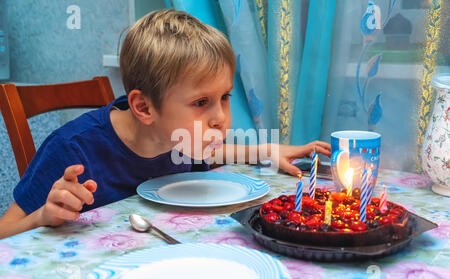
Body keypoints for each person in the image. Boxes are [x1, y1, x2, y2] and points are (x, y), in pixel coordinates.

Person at [0, 9, 331, 239]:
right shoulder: (72, 149)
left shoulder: (177, 137)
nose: (220, 118)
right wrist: (43, 216)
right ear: (144, 107)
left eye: (225, 97)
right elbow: (5, 232)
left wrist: (268, 150)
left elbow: (209, 154)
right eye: (201, 102)